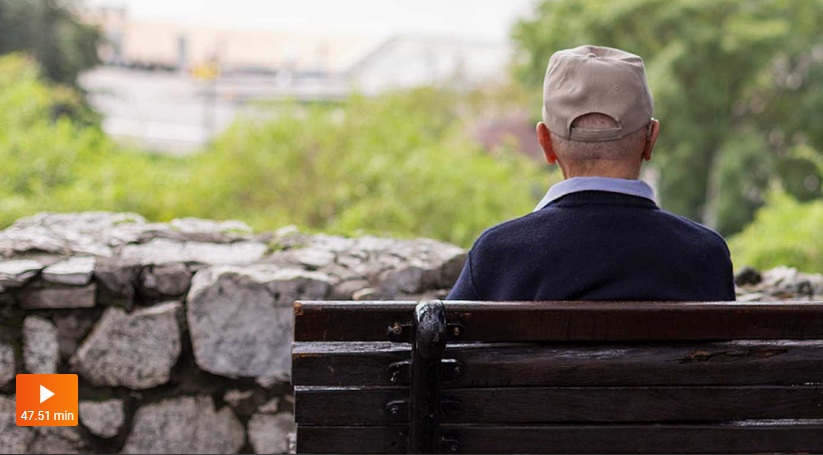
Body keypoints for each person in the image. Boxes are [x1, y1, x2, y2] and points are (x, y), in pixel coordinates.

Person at [447, 45, 735, 301]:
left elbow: (440, 349)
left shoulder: (498, 255)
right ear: (651, 140)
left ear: (545, 143)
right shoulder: (705, 254)